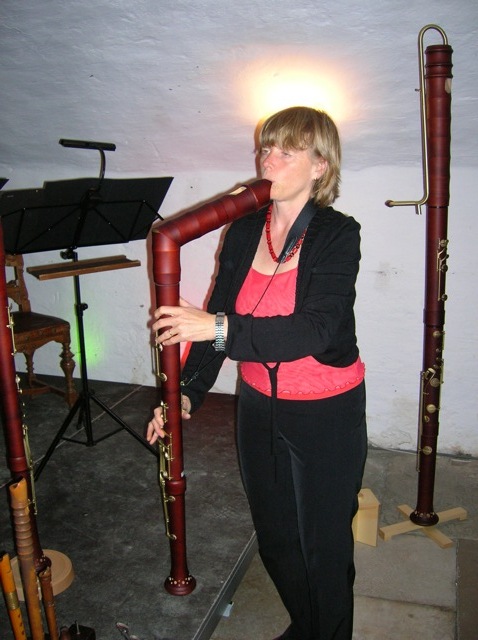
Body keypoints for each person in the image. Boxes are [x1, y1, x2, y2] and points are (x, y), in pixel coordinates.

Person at [147, 106, 367, 640]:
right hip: (257, 407)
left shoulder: (338, 234)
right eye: (266, 148)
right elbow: (217, 318)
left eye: (286, 151)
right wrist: (186, 395)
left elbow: (314, 330)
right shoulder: (246, 229)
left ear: (320, 165)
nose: (269, 160)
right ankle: (309, 626)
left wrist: (216, 326)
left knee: (324, 546)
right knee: (276, 538)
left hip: (326, 410)